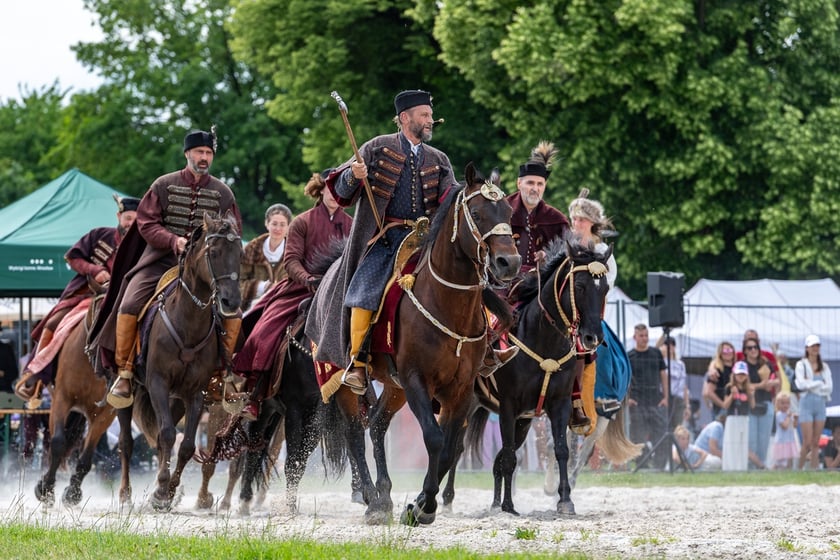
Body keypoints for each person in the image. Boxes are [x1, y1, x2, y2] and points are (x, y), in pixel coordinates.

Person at [306, 89, 511, 394]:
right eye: (425, 115)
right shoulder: (377, 147)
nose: (430, 120)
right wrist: (353, 174)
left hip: (426, 240)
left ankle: (486, 348)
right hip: (385, 240)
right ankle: (357, 362)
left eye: (430, 115)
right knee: (363, 291)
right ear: (405, 118)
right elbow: (341, 190)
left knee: (468, 282)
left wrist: (474, 193)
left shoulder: (439, 159)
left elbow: (450, 197)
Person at [89, 127, 242, 408]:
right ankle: (125, 372)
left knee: (233, 312)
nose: (204, 157)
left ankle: (222, 375)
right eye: (199, 152)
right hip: (161, 261)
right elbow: (146, 223)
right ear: (187, 154)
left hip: (203, 269)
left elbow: (233, 232)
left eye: (208, 153)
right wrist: (173, 241)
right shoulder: (163, 184)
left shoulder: (223, 192)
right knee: (129, 303)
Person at [234, 171, 352, 420]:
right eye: (331, 188)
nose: (335, 193)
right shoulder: (302, 221)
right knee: (264, 331)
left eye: (341, 188)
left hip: (339, 292)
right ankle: (255, 394)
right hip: (301, 288)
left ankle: (364, 395)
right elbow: (290, 261)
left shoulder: (353, 225)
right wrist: (308, 279)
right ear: (321, 189)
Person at [14, 195, 140, 401]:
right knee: (53, 322)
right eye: (128, 218)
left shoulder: (143, 244)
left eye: (135, 220)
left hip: (123, 301)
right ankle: (36, 376)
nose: (131, 224)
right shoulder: (99, 235)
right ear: (119, 216)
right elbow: (72, 257)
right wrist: (95, 270)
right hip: (85, 295)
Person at [566, 189, 618, 433]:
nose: (577, 223)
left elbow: (607, 285)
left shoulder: (602, 251)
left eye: (582, 219)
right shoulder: (567, 246)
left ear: (592, 223)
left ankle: (603, 397)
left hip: (590, 314)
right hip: (565, 314)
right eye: (574, 219)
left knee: (602, 353)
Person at [627, 323, 669, 469]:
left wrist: (666, 397)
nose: (644, 338)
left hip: (656, 400)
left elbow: (663, 375)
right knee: (638, 436)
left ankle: (659, 466)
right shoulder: (629, 356)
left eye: (646, 335)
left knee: (661, 434)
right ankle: (642, 465)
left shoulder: (656, 353)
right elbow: (625, 379)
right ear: (635, 337)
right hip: (637, 402)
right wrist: (627, 398)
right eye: (641, 336)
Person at [239, 203, 293, 312]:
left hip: (282, 308)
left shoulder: (294, 252)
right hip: (249, 307)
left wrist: (278, 290)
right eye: (274, 224)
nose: (278, 228)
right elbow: (237, 282)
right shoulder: (251, 249)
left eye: (282, 224)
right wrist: (262, 287)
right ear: (267, 224)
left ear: (288, 226)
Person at [794, 334, 833, 470]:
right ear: (807, 348)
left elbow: (829, 387)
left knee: (816, 442)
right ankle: (799, 469)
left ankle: (813, 469)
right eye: (812, 346)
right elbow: (800, 384)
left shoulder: (824, 367)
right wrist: (819, 384)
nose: (815, 348)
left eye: (817, 346)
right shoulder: (801, 365)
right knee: (807, 441)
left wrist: (811, 385)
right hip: (806, 404)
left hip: (820, 404)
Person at [742, 335, 779, 469]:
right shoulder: (742, 366)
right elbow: (743, 386)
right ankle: (752, 468)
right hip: (749, 406)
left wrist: (769, 384)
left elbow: (778, 380)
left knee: (764, 441)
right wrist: (761, 385)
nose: (753, 350)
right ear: (745, 350)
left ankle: (760, 470)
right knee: (752, 442)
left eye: (755, 347)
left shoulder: (766, 363)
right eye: (750, 348)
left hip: (766, 404)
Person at [721, 360, 763, 470]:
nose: (741, 376)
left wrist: (752, 395)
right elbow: (725, 405)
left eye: (743, 374)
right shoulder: (729, 387)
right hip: (732, 418)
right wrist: (732, 395)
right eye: (739, 374)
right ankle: (730, 467)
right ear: (734, 375)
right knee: (732, 443)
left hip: (744, 418)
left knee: (742, 444)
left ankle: (741, 467)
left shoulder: (747, 388)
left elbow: (752, 406)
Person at [658, 335, 689, 430]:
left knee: (677, 427)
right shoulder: (660, 362)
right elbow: (654, 349)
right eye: (667, 344)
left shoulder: (681, 364)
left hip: (678, 399)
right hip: (664, 397)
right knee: (664, 426)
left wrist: (687, 405)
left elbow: (684, 385)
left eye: (672, 344)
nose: (670, 347)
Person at [702, 341, 736, 417]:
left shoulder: (736, 368)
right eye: (725, 350)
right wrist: (722, 404)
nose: (728, 353)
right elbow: (708, 392)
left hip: (735, 409)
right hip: (721, 410)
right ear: (720, 353)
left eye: (730, 350)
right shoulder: (717, 370)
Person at [772, 392, 798, 470]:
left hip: (789, 440)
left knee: (789, 460)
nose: (785, 405)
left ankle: (788, 471)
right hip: (781, 441)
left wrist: (796, 420)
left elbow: (794, 426)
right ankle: (772, 470)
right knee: (780, 462)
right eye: (783, 403)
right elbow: (785, 426)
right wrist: (788, 417)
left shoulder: (788, 414)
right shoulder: (779, 414)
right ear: (778, 404)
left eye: (787, 403)